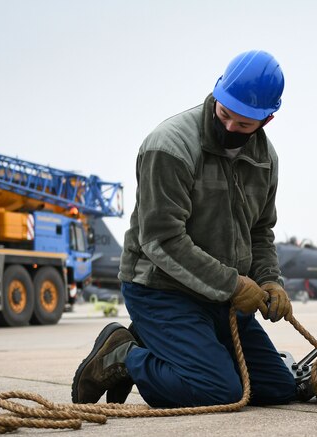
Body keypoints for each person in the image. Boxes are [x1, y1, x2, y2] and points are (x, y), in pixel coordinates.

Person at [71, 50, 297, 409]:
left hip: (220, 299)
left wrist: (270, 280)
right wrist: (233, 284)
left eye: (243, 125)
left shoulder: (265, 160)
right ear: (217, 95)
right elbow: (162, 239)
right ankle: (123, 356)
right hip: (162, 291)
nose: (229, 128)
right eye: (225, 115)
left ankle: (172, 349)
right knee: (220, 392)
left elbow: (261, 232)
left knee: (279, 389)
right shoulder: (171, 146)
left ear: (266, 120)